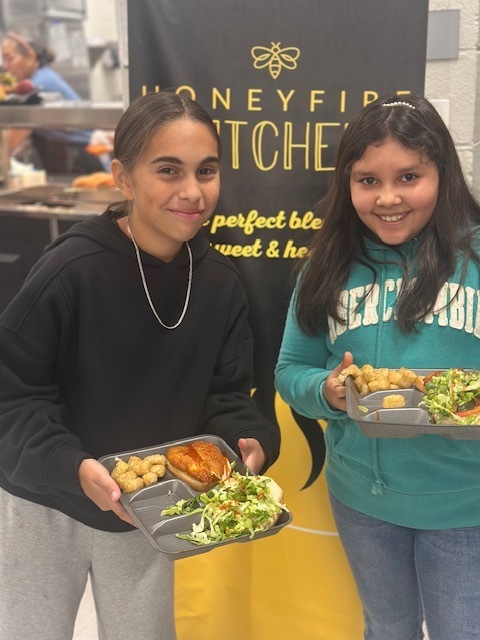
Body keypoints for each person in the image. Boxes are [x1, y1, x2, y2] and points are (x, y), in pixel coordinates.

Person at [0, 90, 280, 640]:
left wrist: (247, 437)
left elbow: (226, 395)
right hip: (46, 502)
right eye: (168, 170)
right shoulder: (69, 271)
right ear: (123, 178)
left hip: (146, 510)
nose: (192, 192)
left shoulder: (221, 283)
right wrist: (70, 466)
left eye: (207, 171)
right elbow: (13, 394)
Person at [275, 94, 480, 640]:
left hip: (465, 506)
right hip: (363, 500)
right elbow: (291, 369)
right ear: (348, 184)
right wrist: (329, 392)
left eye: (409, 176)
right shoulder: (326, 264)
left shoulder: (476, 258)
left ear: (444, 173)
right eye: (368, 180)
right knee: (387, 626)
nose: (388, 198)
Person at [1, 31, 104, 173]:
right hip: (71, 158)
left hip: (83, 158)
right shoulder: (42, 76)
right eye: (3, 60)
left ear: (31, 56)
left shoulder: (39, 84)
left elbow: (10, 143)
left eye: (10, 58)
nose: (6, 67)